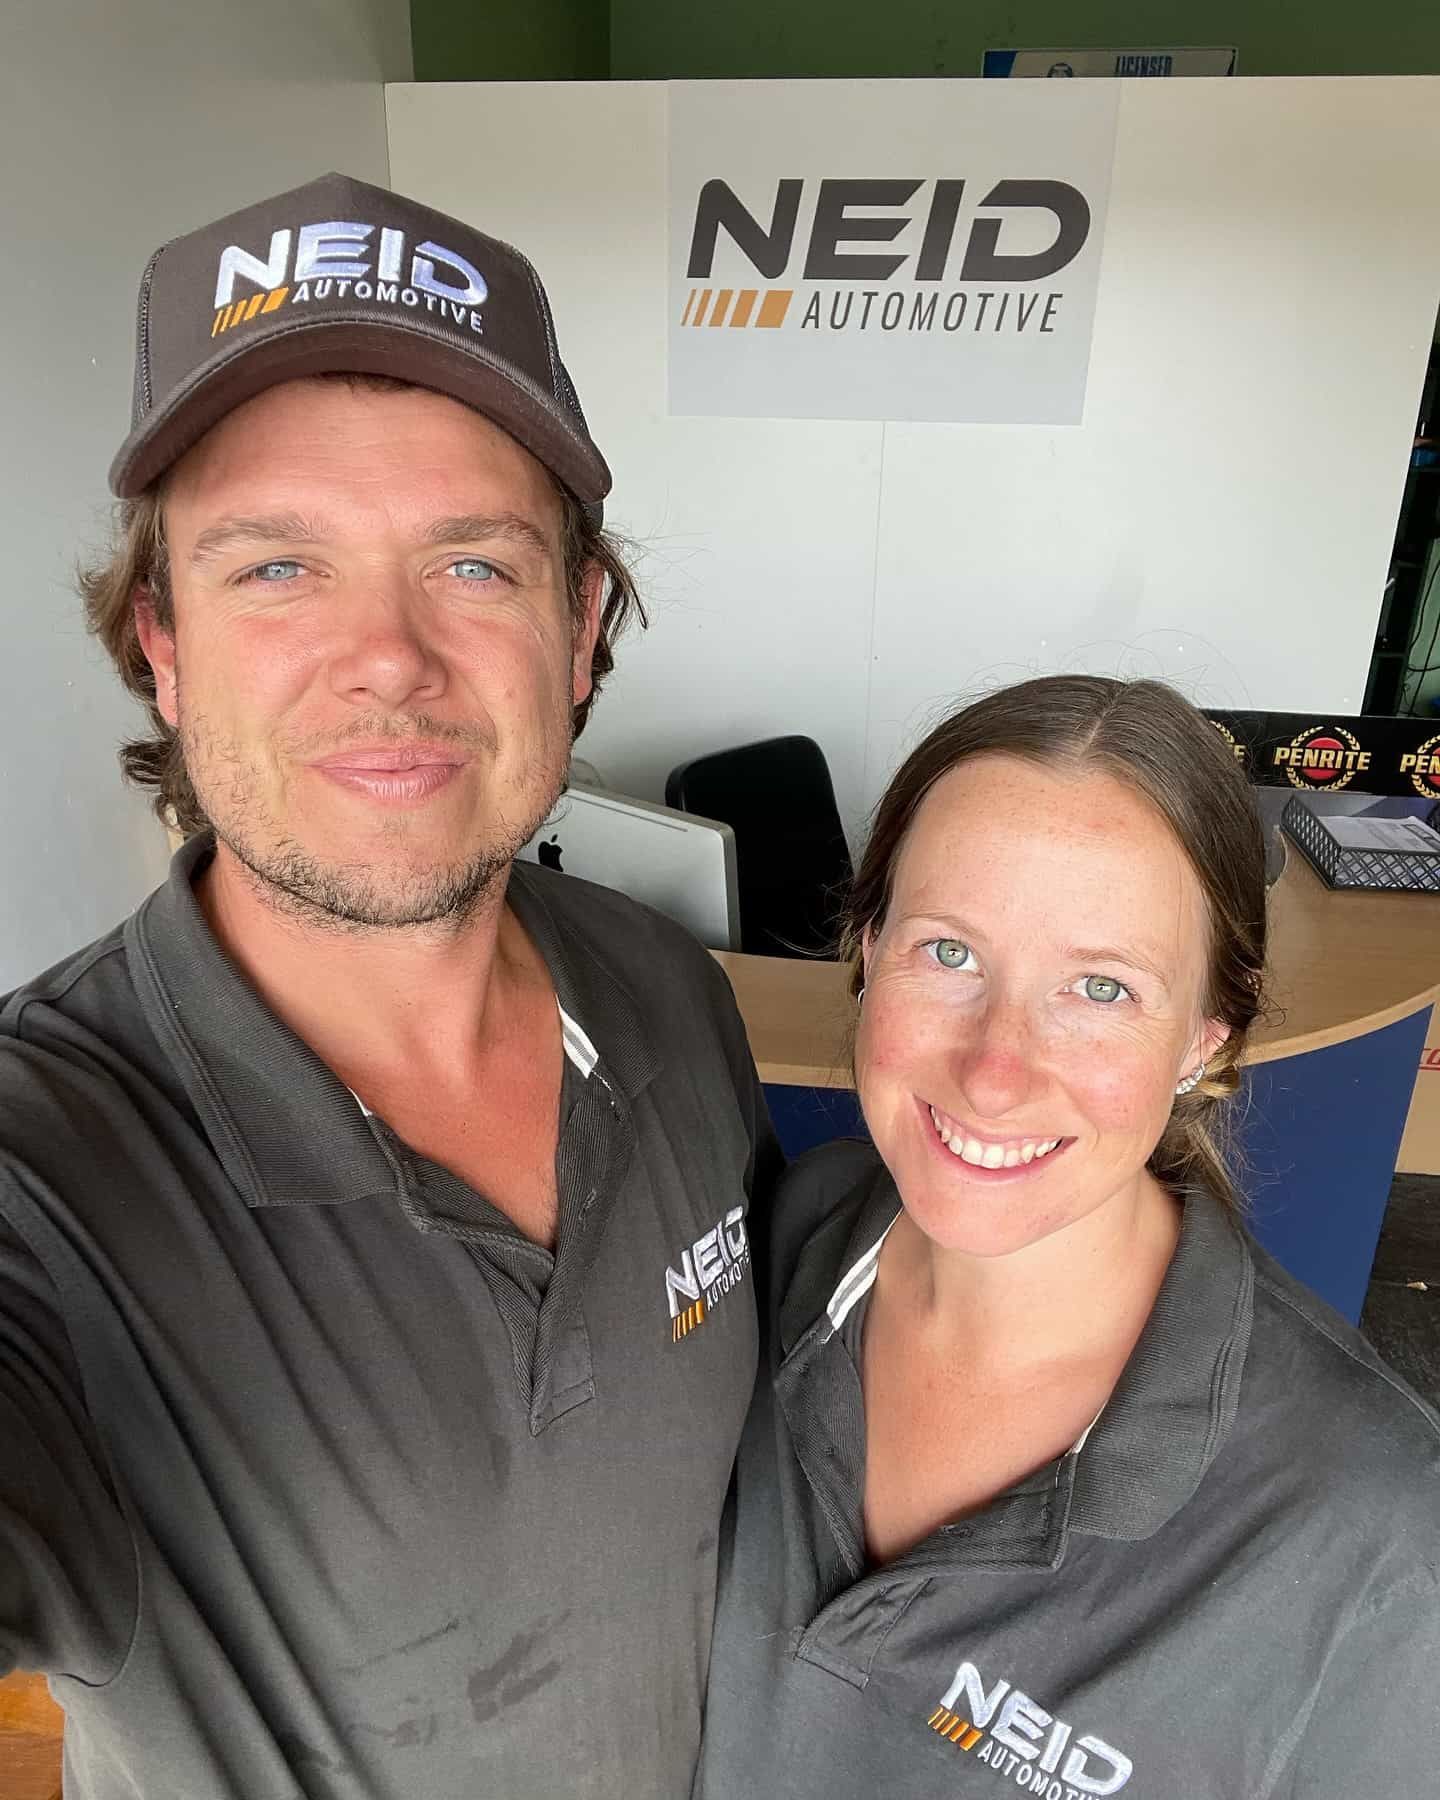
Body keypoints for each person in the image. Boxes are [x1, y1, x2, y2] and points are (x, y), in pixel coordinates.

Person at [0, 173, 777, 1799]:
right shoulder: (46, 1171)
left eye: (475, 566)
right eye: (278, 567)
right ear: (161, 643)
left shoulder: (666, 992)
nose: (388, 659)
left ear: (581, 629)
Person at [695, 675, 1440, 1800]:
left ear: (1205, 1038)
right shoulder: (778, 1241)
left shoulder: (1377, 1541)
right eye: (949, 953)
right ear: (870, 949)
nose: (995, 1074)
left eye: (1101, 987)